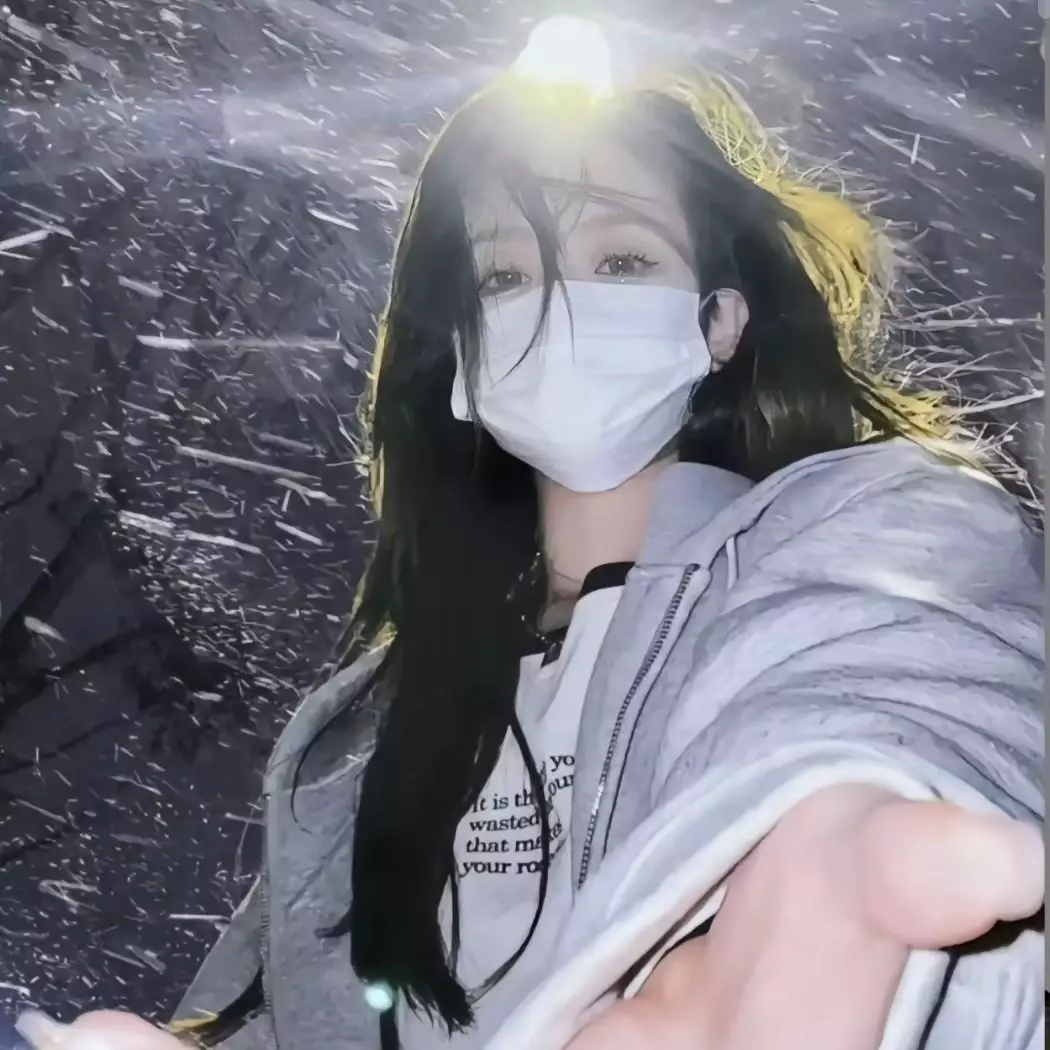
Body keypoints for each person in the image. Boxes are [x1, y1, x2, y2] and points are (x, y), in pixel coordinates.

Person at [15, 21, 1044, 1050]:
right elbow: (310, 1010)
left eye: (623, 258)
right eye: (503, 278)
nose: (560, 305)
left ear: (720, 324)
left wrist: (843, 818)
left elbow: (893, 683)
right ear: (459, 363)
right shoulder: (370, 726)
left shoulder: (867, 519)